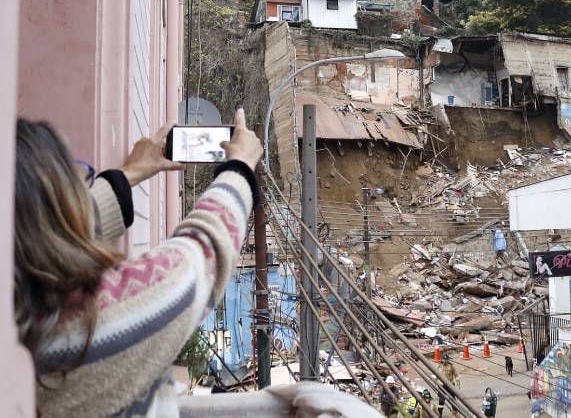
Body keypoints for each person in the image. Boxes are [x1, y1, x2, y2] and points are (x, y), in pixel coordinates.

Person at [14, 112, 382, 418]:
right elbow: (201, 253)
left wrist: (127, 176)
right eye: (78, 176)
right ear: (59, 204)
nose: (85, 182)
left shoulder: (19, 300)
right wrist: (238, 168)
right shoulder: (88, 326)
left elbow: (38, 227)